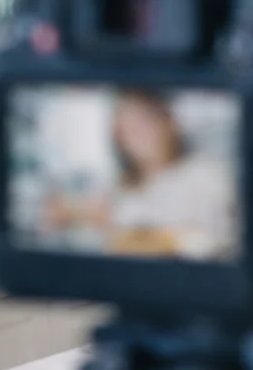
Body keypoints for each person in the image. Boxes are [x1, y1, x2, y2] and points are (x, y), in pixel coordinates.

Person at [43, 89, 237, 260]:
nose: (139, 135)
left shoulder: (205, 175)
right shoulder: (120, 187)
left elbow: (214, 242)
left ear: (169, 121)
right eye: (129, 128)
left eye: (145, 122)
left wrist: (144, 240)